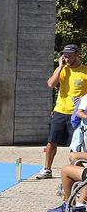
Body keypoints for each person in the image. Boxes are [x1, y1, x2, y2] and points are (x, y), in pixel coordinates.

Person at [32, 44, 87, 179]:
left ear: (77, 55)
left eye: (69, 56)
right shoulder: (62, 69)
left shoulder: (85, 71)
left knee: (75, 146)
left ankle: (74, 174)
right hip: (60, 111)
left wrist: (82, 99)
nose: (66, 58)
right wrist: (60, 66)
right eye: (65, 55)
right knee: (51, 142)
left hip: (76, 115)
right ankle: (47, 169)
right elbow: (51, 84)